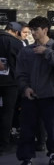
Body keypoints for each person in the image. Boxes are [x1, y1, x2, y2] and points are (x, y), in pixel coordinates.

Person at [15, 16, 54, 165]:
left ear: (45, 30)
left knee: (53, 127)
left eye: (35, 29)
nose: (33, 33)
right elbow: (20, 72)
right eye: (31, 30)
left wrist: (47, 52)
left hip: (51, 94)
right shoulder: (26, 50)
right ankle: (26, 158)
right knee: (27, 128)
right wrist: (25, 88)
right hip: (30, 96)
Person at [0, 22, 23, 154]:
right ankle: (4, 143)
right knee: (7, 113)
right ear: (16, 32)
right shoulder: (15, 43)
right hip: (11, 83)